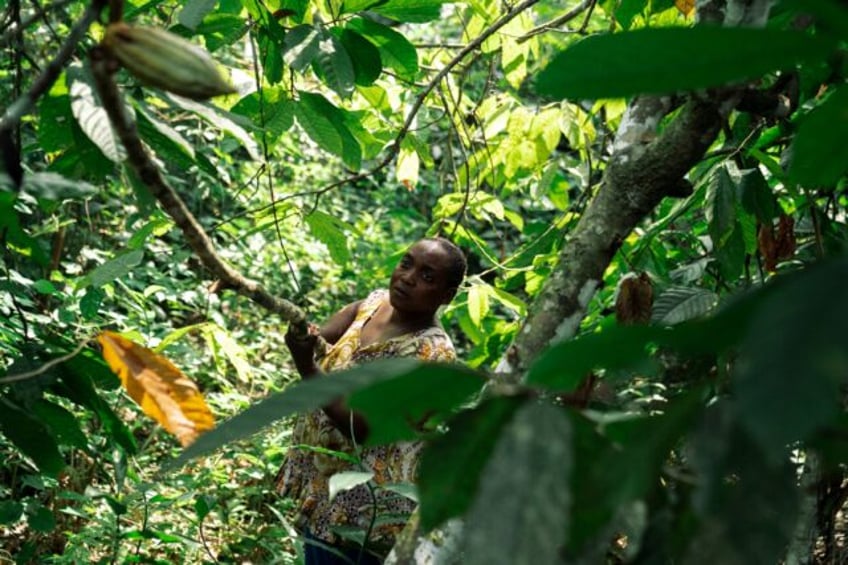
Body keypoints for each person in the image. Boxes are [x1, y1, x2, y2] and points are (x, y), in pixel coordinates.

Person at [276, 237, 466, 564]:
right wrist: (303, 338)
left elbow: (364, 427)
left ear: (446, 296)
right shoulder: (373, 304)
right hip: (327, 484)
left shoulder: (430, 354)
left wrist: (307, 368)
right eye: (406, 264)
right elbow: (323, 339)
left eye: (427, 277)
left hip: (364, 511)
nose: (408, 277)